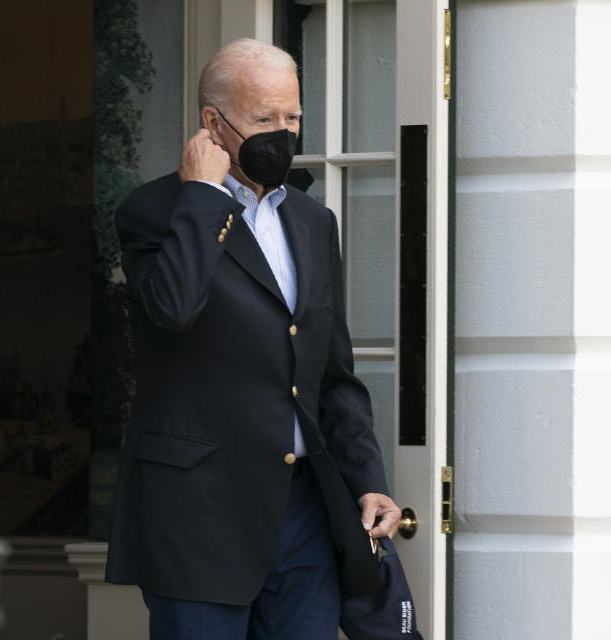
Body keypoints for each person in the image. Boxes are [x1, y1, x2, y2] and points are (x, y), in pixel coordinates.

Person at [104, 38, 401, 639]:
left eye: (292, 117)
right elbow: (172, 309)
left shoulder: (314, 222)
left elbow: (333, 374)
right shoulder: (153, 211)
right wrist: (204, 197)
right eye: (264, 119)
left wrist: (369, 480)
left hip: (304, 516)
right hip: (199, 517)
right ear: (214, 124)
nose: (283, 134)